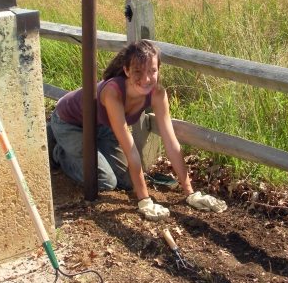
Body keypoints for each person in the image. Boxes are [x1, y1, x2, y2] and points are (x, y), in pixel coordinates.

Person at [49, 40, 227, 221]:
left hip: (104, 126)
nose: (146, 78)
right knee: (105, 181)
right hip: (70, 123)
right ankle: (59, 151)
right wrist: (144, 200)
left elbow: (171, 143)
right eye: (138, 71)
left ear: (159, 70)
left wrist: (190, 192)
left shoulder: (158, 93)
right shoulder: (113, 92)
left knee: (126, 182)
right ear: (126, 70)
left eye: (152, 71)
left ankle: (89, 150)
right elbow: (130, 149)